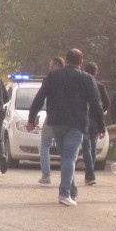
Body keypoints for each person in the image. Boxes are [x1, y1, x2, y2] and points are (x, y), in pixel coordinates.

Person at [28, 49, 105, 205]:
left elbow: (39, 97)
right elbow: (96, 105)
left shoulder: (53, 76)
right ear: (81, 62)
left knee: (66, 157)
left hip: (56, 122)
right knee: (70, 157)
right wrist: (101, 126)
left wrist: (31, 119)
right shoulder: (87, 78)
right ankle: (64, 193)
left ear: (65, 59)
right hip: (76, 124)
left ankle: (73, 191)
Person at [79, 60, 111, 186]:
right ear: (96, 74)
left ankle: (90, 172)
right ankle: (90, 172)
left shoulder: (81, 85)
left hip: (84, 119)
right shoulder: (100, 86)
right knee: (92, 145)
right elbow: (107, 103)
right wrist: (101, 114)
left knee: (86, 146)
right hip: (96, 121)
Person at [38, 55, 65, 184]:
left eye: (51, 65)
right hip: (68, 118)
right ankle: (67, 179)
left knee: (44, 144)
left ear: (55, 65)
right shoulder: (70, 78)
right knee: (66, 150)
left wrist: (32, 117)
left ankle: (46, 175)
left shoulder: (50, 78)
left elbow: (40, 97)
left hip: (52, 117)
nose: (50, 68)